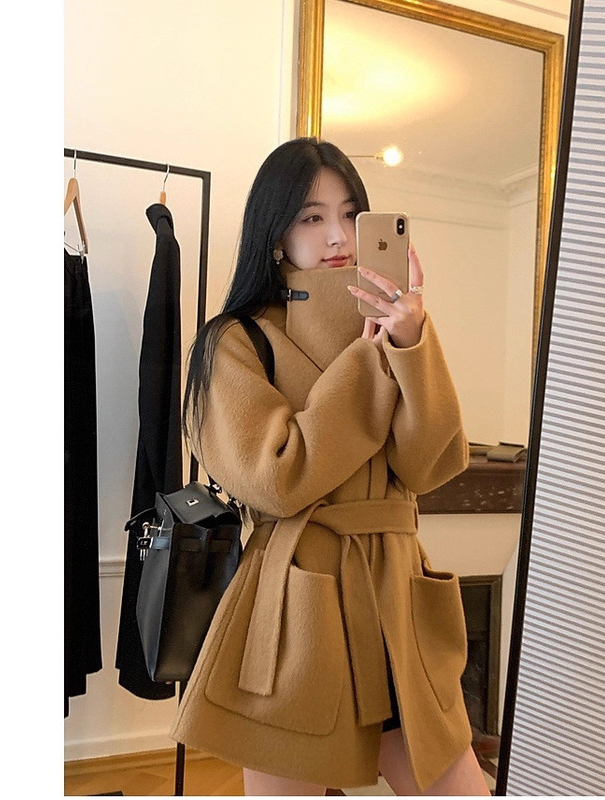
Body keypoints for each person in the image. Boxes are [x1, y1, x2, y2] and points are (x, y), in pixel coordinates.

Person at [170, 137, 490, 796]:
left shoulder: (394, 326)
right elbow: (278, 477)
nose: (338, 235)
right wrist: (369, 364)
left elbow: (431, 466)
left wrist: (411, 345)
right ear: (275, 233)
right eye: (312, 216)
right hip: (299, 607)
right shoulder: (236, 340)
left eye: (350, 214)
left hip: (395, 599)